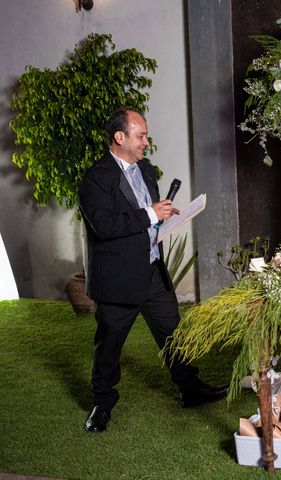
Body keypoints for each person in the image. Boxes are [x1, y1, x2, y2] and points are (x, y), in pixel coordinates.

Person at [78, 108, 228, 433]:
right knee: (109, 346)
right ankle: (102, 404)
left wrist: (166, 215)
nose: (146, 141)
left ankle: (191, 389)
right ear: (120, 137)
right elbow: (104, 226)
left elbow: (147, 215)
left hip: (152, 272)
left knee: (174, 334)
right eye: (141, 135)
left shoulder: (145, 169)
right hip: (118, 281)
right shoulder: (95, 178)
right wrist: (149, 214)